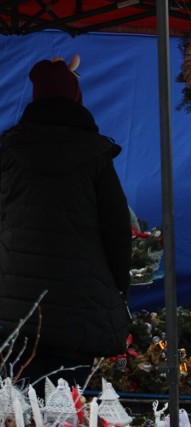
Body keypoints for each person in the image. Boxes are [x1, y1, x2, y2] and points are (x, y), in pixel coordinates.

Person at [0, 57, 132, 391]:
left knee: (14, 405)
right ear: (76, 99)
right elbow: (117, 230)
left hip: (14, 309)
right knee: (66, 406)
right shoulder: (95, 156)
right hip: (79, 307)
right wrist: (119, 286)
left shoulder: (9, 153)